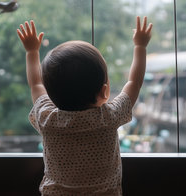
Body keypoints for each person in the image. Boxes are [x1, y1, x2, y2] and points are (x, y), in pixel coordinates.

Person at [16, 16, 153, 195]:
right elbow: (134, 82)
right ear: (104, 91)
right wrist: (140, 46)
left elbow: (36, 84)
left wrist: (31, 51)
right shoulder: (109, 117)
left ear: (51, 94)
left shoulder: (47, 119)